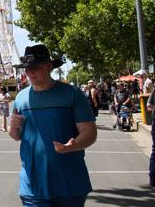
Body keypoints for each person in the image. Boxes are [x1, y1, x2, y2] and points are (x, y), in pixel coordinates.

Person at [9, 45, 96, 206]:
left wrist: (72, 145)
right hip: (33, 185)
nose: (30, 73)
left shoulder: (72, 94)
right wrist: (13, 128)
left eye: (35, 68)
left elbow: (89, 132)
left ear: (49, 66)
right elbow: (16, 136)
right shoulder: (21, 98)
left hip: (70, 183)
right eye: (26, 69)